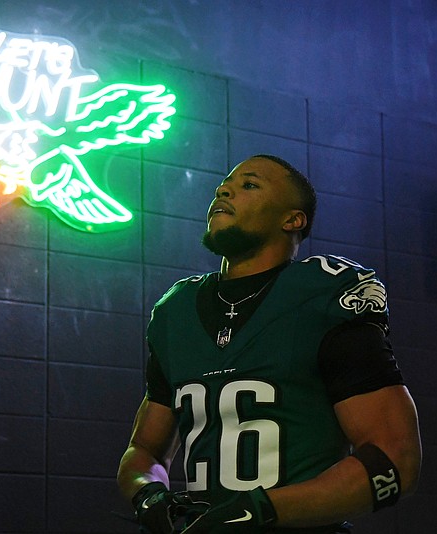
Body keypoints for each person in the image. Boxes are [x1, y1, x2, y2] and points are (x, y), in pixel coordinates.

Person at [117, 155, 421, 533]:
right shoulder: (175, 311)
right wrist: (148, 493)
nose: (223, 189)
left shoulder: (321, 296)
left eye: (250, 185)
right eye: (225, 184)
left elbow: (397, 458)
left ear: (292, 219)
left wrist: (260, 509)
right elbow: (143, 451)